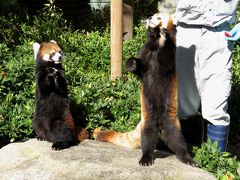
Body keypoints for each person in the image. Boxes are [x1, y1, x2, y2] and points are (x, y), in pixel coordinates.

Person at [174, 0, 240, 152]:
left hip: (220, 34)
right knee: (185, 106)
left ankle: (215, 162)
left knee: (216, 107)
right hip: (185, 33)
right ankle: (189, 159)